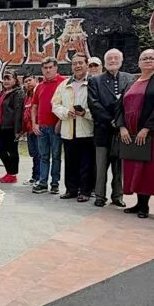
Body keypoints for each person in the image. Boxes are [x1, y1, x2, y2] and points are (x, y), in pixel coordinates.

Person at [117, 49, 154, 218]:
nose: (148, 60)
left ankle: (144, 206)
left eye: (152, 58)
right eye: (144, 58)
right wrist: (122, 127)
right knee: (133, 166)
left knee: (147, 169)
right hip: (130, 132)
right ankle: (137, 202)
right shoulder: (131, 81)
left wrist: (147, 128)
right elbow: (119, 105)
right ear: (139, 62)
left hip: (150, 132)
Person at [88, 49, 134, 208]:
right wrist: (111, 121)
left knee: (119, 167)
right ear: (105, 61)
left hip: (123, 131)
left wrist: (121, 122)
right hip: (103, 129)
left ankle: (118, 195)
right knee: (101, 166)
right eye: (109, 58)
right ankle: (100, 195)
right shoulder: (96, 81)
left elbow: (131, 104)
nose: (113, 60)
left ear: (121, 60)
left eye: (116, 58)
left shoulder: (130, 79)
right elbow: (94, 104)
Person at [52, 52, 94, 202]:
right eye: (74, 63)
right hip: (68, 129)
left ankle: (85, 191)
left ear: (86, 65)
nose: (77, 66)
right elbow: (55, 104)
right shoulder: (64, 84)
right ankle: (71, 189)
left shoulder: (93, 83)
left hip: (86, 129)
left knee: (85, 163)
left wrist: (85, 113)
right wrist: (65, 112)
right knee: (70, 161)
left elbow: (98, 107)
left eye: (80, 63)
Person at [31, 57, 67, 194]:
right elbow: (34, 106)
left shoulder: (63, 83)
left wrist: (60, 122)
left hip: (56, 126)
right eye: (45, 68)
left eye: (50, 67)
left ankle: (55, 183)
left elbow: (65, 104)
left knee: (56, 156)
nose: (48, 70)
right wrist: (34, 124)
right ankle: (43, 182)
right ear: (42, 69)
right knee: (43, 156)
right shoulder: (39, 86)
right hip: (42, 127)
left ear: (56, 68)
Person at [0, 70, 24, 183]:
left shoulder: (18, 93)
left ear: (15, 80)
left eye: (9, 78)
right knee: (0, 149)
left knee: (12, 151)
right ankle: (10, 172)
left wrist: (18, 130)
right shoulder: (3, 92)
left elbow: (18, 111)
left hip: (11, 126)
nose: (6, 81)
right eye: (4, 78)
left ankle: (12, 174)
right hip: (1, 125)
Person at [22, 73, 40, 185]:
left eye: (30, 80)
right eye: (25, 81)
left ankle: (39, 178)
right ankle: (34, 177)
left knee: (39, 155)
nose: (28, 83)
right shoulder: (27, 96)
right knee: (33, 155)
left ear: (35, 80)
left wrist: (36, 125)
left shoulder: (38, 93)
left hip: (38, 129)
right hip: (29, 130)